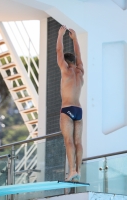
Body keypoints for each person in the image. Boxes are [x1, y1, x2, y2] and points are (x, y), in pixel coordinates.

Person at [56, 25, 84, 182]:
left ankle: (72, 170)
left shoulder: (65, 70)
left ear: (66, 62)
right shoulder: (80, 71)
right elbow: (79, 55)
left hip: (67, 109)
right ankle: (78, 170)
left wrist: (60, 35)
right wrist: (75, 39)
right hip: (78, 110)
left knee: (69, 141)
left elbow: (59, 53)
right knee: (78, 142)